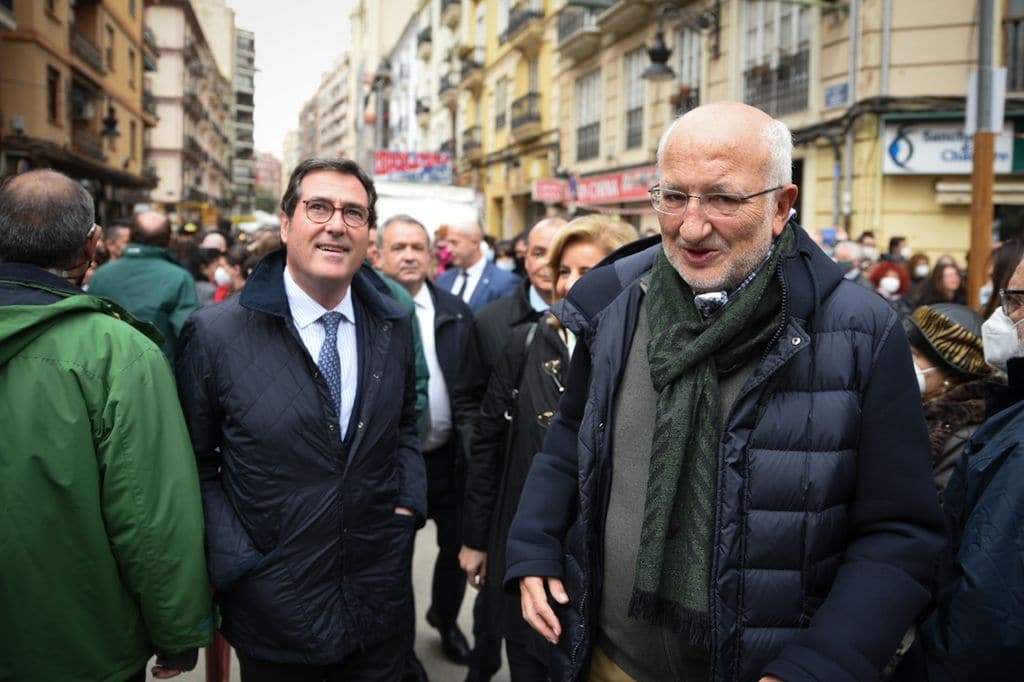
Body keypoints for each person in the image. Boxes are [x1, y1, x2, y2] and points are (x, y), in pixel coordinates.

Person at [506, 102, 945, 682]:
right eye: (673, 195)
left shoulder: (860, 331)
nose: (691, 226)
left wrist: (819, 664)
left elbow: (899, 533)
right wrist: (533, 542)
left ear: (782, 206)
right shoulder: (614, 303)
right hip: (606, 661)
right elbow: (571, 438)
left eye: (723, 198)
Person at [176, 158, 426, 681]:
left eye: (354, 213)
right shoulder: (215, 334)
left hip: (378, 605)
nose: (337, 223)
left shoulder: (393, 324)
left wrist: (406, 510)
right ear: (286, 224)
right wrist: (242, 564)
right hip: (275, 613)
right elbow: (192, 465)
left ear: (367, 234)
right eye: (319, 208)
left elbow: (405, 424)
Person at [0, 169, 213, 681]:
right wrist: (179, 632)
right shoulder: (121, 353)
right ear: (93, 245)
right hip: (80, 650)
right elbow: (150, 515)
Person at [460, 215, 637, 680]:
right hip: (529, 550)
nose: (572, 283)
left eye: (588, 271)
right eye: (564, 270)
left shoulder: (644, 352)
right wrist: (476, 540)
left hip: (608, 571)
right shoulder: (525, 341)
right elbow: (487, 447)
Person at [895, 258, 1024, 681]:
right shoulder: (1003, 418)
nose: (1007, 316)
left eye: (1016, 300)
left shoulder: (987, 435)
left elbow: (985, 604)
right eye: (1009, 299)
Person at [453, 215, 566, 681]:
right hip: (504, 491)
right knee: (494, 617)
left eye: (560, 257)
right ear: (525, 257)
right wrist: (487, 442)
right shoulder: (495, 321)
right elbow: (469, 400)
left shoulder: (610, 326)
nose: (550, 266)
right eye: (539, 253)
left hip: (558, 511)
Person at [377, 214, 474, 665]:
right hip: (398, 461)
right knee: (396, 558)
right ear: (377, 255)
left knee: (457, 550)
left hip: (452, 460)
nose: (411, 256)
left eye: (419, 247)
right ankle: (404, 648)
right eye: (399, 248)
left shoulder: (456, 311)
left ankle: (446, 618)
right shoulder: (371, 310)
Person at [87, 210, 200, 360]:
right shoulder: (179, 278)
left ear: (131, 236)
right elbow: (188, 336)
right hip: (160, 374)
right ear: (168, 240)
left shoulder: (100, 275)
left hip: (105, 372)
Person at [904, 304, 992, 493]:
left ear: (949, 375)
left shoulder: (964, 435)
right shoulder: (913, 407)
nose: (903, 361)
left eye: (914, 355)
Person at [436, 220, 520, 312]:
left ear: (475, 243)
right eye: (447, 243)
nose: (448, 249)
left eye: (454, 243)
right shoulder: (443, 280)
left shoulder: (504, 283)